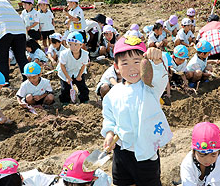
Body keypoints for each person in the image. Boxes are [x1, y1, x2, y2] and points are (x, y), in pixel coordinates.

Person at [101, 36, 173, 185]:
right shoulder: (112, 95)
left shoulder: (150, 87)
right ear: (116, 67)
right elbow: (109, 119)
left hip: (146, 151)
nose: (132, 68)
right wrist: (109, 134)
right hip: (121, 151)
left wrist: (158, 60)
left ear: (145, 64)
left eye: (137, 62)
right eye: (125, 63)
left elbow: (161, 78)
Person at [0, 0, 28, 83]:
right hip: (19, 28)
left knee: (2, 59)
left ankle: (4, 82)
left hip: (2, 28)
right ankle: (28, 80)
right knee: (21, 57)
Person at [57, 31, 90, 105]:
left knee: (82, 87)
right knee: (65, 88)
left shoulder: (85, 54)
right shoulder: (64, 54)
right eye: (70, 44)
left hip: (78, 71)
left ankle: (84, 100)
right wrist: (67, 77)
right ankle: (65, 101)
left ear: (81, 45)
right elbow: (62, 66)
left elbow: (83, 65)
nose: (73, 47)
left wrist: (79, 76)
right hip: (66, 72)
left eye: (76, 44)